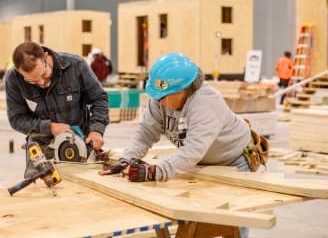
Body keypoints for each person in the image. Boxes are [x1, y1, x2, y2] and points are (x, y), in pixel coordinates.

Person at [100, 53, 268, 238]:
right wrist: (127, 160)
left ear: (183, 90)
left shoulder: (206, 102)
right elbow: (144, 136)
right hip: (203, 161)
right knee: (199, 217)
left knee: (233, 220)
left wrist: (153, 172)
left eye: (164, 96)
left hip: (235, 160)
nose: (159, 101)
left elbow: (192, 151)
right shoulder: (160, 100)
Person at [5, 42, 109, 178]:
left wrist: (96, 129)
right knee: (40, 193)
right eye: (33, 81)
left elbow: (99, 98)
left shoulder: (75, 65)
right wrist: (50, 127)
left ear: (46, 57)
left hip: (79, 146)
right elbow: (16, 119)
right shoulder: (14, 79)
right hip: (41, 150)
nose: (41, 82)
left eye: (44, 74)